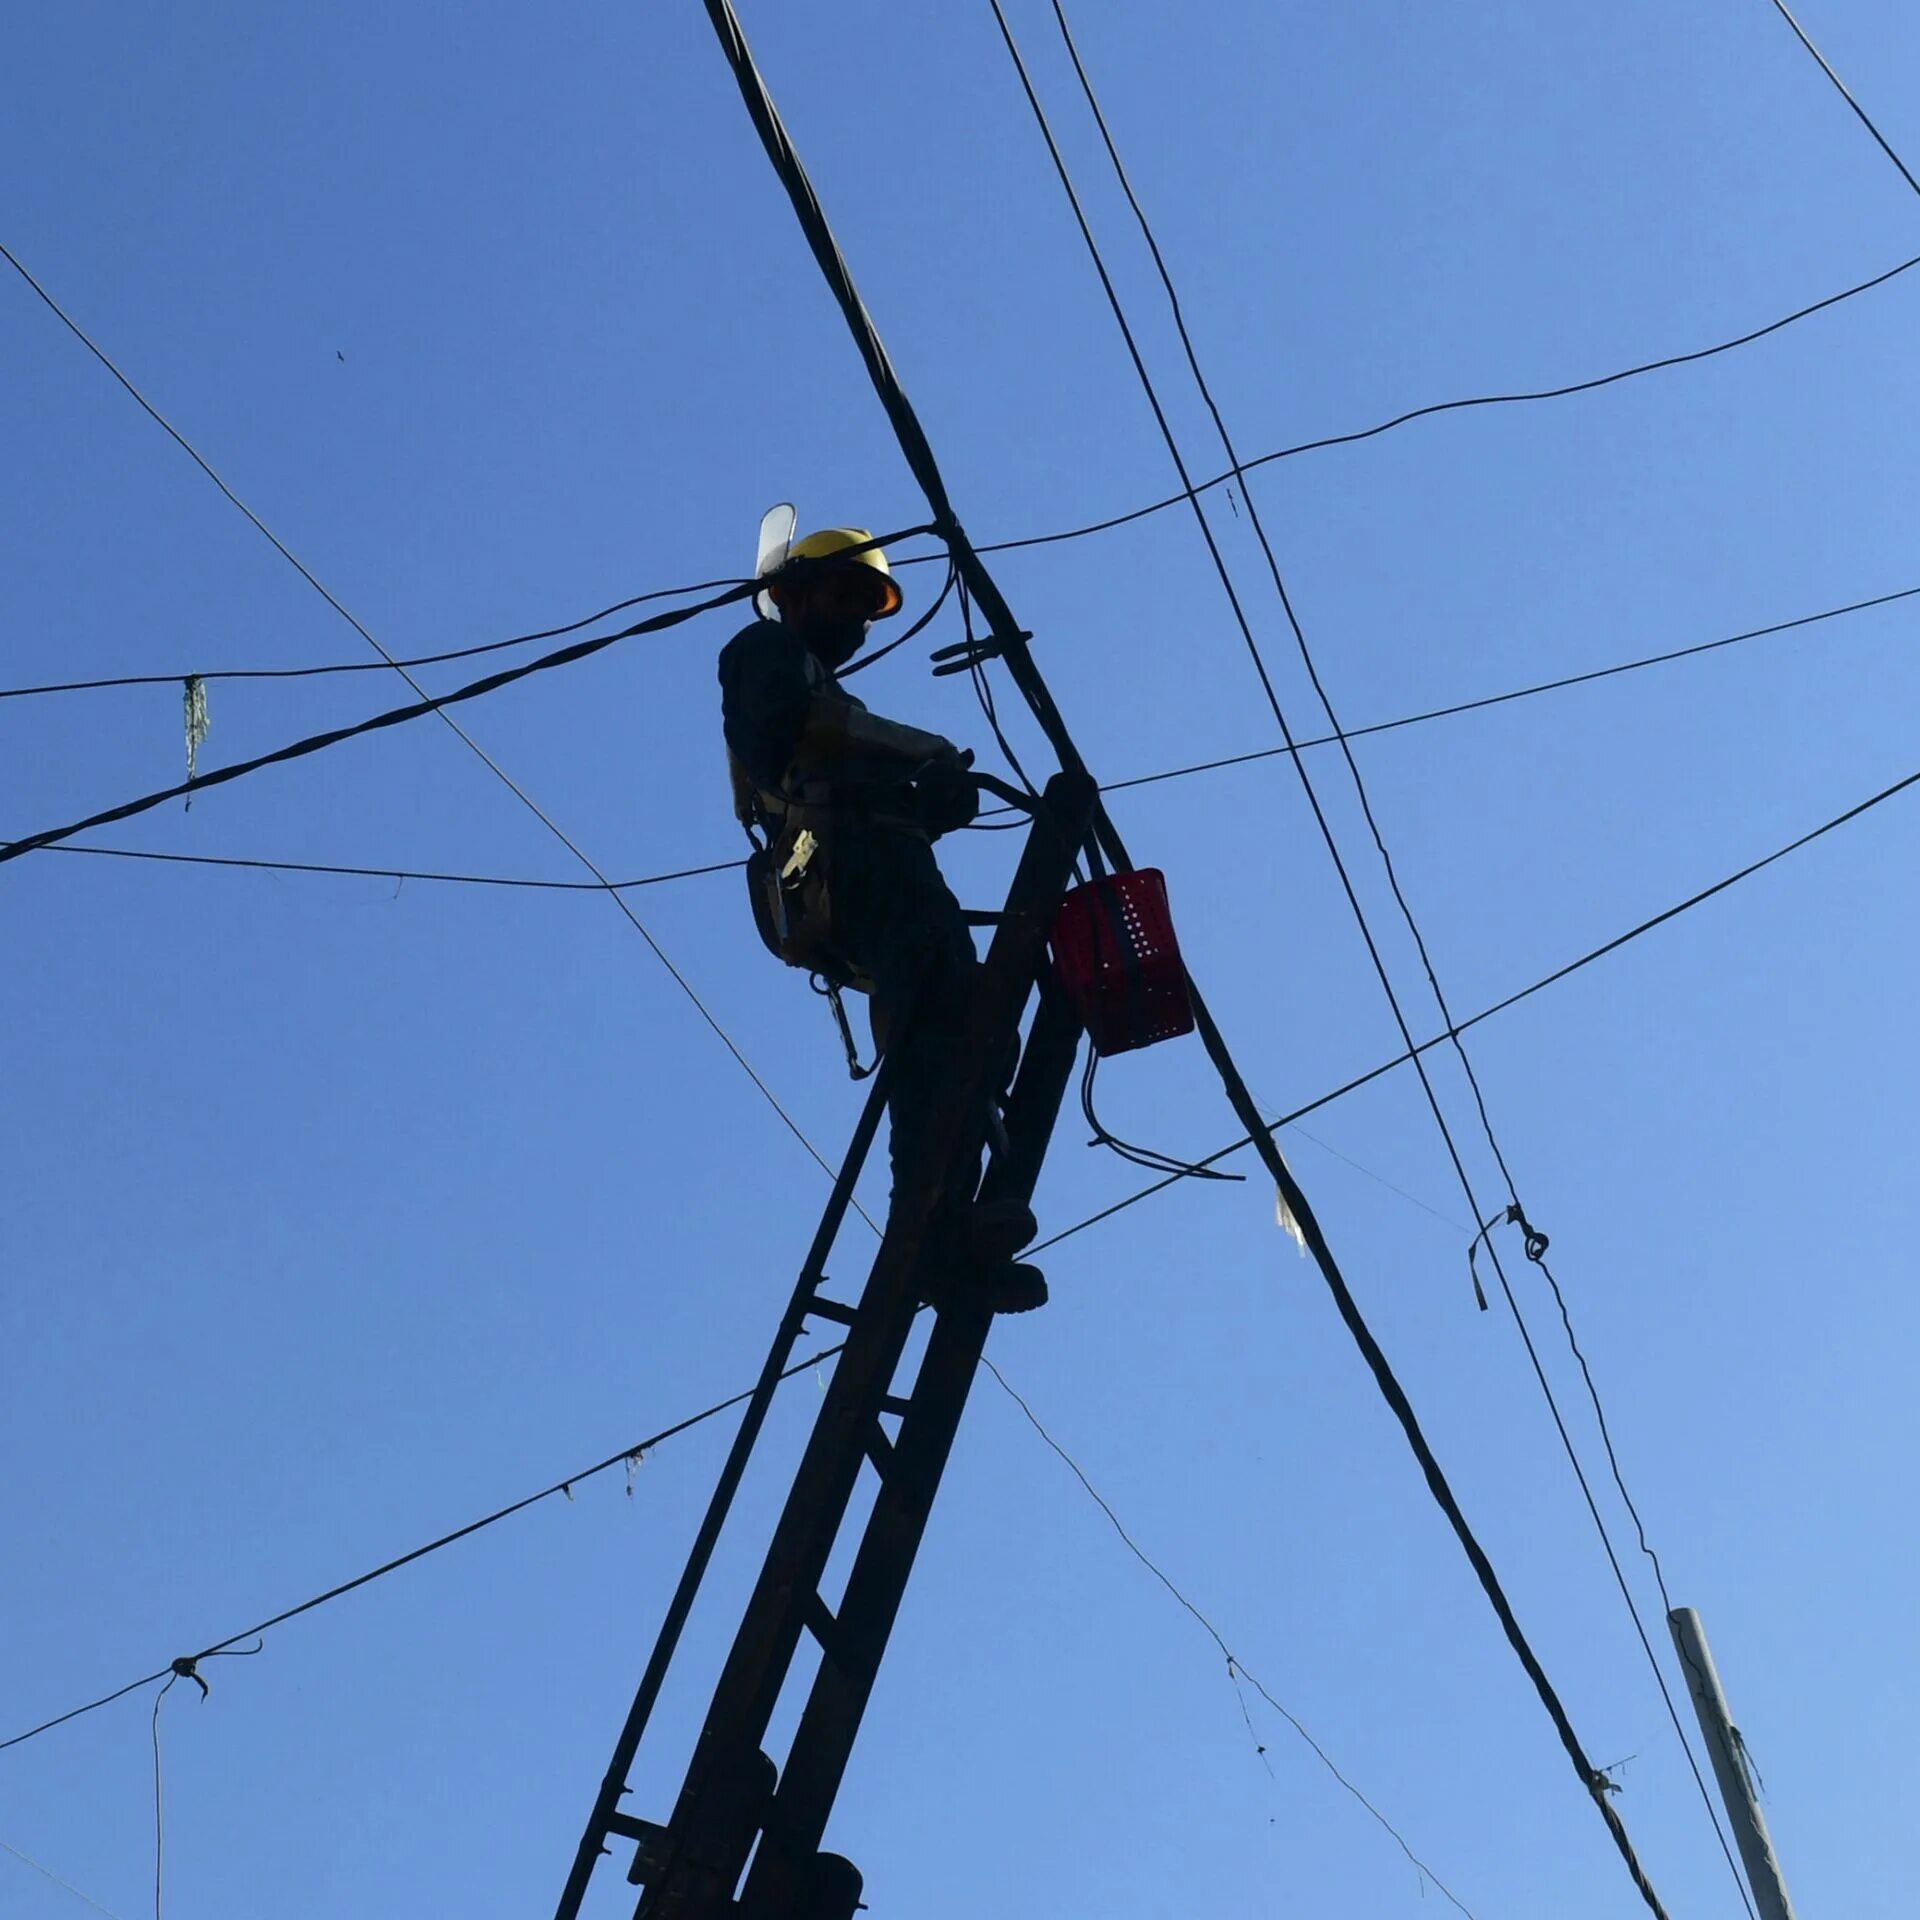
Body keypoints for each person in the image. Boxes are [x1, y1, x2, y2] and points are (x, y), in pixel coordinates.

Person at [719, 527, 1046, 1313]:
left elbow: (851, 773)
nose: (860, 622)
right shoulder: (761, 654)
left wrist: (929, 802)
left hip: (888, 870)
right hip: (855, 876)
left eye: (871, 608)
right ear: (795, 594)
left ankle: (956, 1226)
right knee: (930, 1040)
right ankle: (928, 1228)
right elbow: (798, 740)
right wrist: (923, 751)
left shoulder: (832, 695)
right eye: (848, 598)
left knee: (973, 1035)